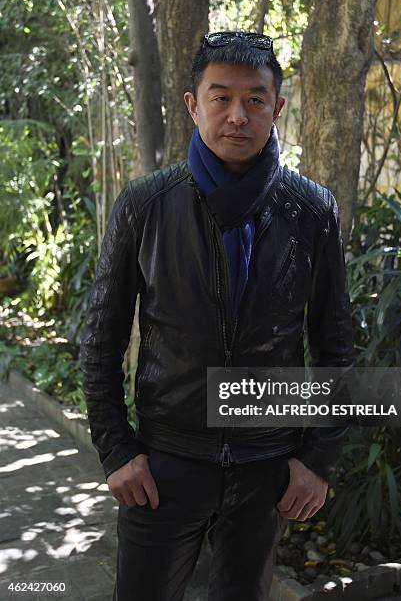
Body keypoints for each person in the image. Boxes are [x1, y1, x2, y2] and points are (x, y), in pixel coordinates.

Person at [79, 30, 355, 601]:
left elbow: (335, 346)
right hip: (165, 466)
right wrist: (117, 450)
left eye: (255, 99)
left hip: (267, 469)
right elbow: (100, 339)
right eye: (220, 97)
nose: (237, 115)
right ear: (192, 104)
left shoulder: (311, 209)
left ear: (277, 107)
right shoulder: (146, 203)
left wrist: (316, 459)